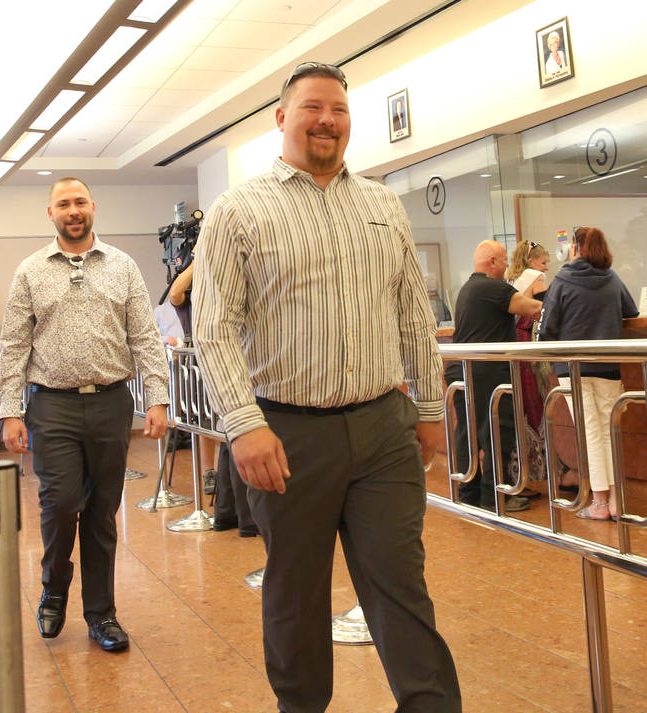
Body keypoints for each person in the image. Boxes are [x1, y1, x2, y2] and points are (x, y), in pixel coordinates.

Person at [193, 61, 460, 713]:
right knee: (296, 591)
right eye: (312, 107)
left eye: (338, 109)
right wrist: (244, 422)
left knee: (401, 583)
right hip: (287, 433)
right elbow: (213, 326)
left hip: (383, 428)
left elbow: (411, 316)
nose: (326, 120)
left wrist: (428, 409)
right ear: (281, 118)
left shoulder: (380, 203)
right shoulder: (237, 211)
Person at [0, 176, 170, 651]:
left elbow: (144, 337)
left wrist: (157, 397)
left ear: (92, 207)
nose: (73, 211)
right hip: (52, 404)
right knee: (60, 503)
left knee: (101, 512)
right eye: (63, 204)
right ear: (50, 213)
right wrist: (9, 412)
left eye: (79, 202)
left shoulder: (123, 266)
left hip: (112, 402)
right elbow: (13, 346)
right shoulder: (30, 271)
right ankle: (54, 589)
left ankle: (102, 614)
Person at [538, 227, 639, 521]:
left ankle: (599, 503)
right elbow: (631, 312)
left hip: (573, 368)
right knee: (611, 432)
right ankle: (617, 500)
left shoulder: (562, 280)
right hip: (608, 367)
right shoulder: (612, 278)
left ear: (575, 248)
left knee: (591, 434)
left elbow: (546, 328)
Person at [445, 241, 542, 512]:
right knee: (498, 432)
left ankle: (469, 493)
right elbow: (533, 309)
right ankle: (494, 496)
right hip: (488, 374)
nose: (507, 265)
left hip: (463, 370)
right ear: (491, 262)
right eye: (503, 260)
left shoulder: (468, 289)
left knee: (468, 434)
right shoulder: (493, 288)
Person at [505, 241, 575, 491]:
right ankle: (551, 472)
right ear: (532, 262)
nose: (546, 267)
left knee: (522, 409)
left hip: (514, 346)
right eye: (543, 261)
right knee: (538, 406)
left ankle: (521, 472)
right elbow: (549, 311)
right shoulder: (535, 277)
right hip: (529, 347)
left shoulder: (510, 281)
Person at [168, 255, 219, 495]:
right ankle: (210, 472)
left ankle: (232, 473)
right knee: (205, 421)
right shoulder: (188, 298)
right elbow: (174, 293)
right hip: (199, 360)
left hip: (230, 353)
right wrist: (198, 258)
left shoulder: (220, 292)